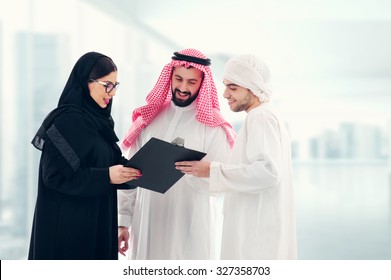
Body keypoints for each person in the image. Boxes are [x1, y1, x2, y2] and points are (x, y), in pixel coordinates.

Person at [118, 48, 236, 259]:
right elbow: (129, 176)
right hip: (147, 221)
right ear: (169, 77)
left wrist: (200, 172)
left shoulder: (214, 127)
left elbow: (224, 180)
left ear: (202, 83)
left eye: (191, 82)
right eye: (178, 79)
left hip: (190, 224)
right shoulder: (149, 119)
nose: (183, 87)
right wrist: (122, 222)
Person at [176, 54, 297, 259]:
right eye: (225, 86)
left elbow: (268, 173)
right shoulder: (264, 116)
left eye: (233, 88)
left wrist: (212, 170)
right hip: (258, 228)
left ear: (253, 88)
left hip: (257, 236)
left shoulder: (260, 117)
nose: (225, 94)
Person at [28, 52, 141, 260]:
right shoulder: (66, 122)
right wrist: (107, 176)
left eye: (115, 86)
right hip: (68, 233)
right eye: (107, 85)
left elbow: (109, 164)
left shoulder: (100, 123)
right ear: (85, 83)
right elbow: (54, 177)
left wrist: (144, 170)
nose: (112, 93)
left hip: (96, 223)